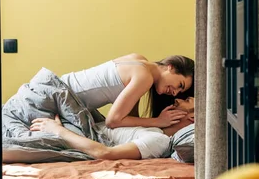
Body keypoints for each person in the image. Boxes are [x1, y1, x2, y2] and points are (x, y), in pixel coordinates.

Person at [29, 97, 195, 160]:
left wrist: (57, 131)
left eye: (184, 102)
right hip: (76, 127)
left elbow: (105, 153)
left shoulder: (159, 141)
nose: (177, 99)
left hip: (68, 135)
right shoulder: (154, 128)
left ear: (192, 118)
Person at [59, 53, 194, 128]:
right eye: (180, 85)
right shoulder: (144, 78)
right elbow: (113, 121)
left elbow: (131, 119)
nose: (175, 93)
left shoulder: (139, 59)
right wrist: (158, 121)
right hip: (57, 97)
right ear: (171, 67)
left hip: (60, 89)